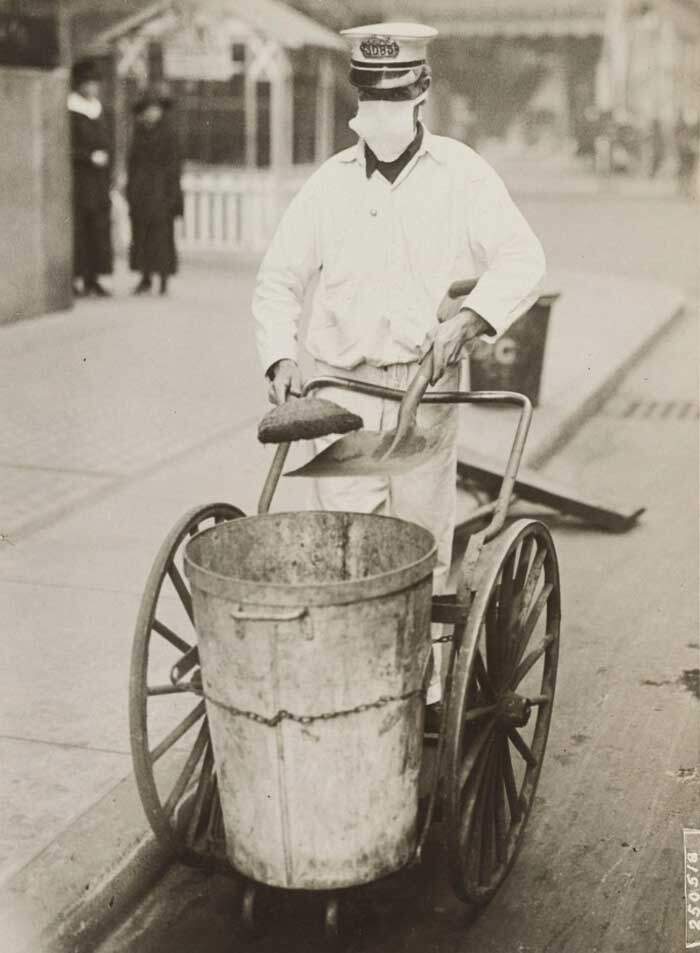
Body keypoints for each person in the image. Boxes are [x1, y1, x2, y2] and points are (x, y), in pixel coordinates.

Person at [252, 22, 546, 722]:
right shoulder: (329, 184)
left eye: (397, 96)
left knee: (419, 549)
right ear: (357, 102)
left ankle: (426, 698)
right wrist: (280, 355)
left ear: (423, 94)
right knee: (349, 552)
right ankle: (354, 699)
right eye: (371, 99)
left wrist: (468, 319)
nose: (383, 114)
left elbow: (523, 259)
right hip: (343, 394)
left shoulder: (461, 174)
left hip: (425, 387)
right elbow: (277, 280)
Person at [126, 87, 183, 295]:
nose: (152, 113)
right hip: (141, 190)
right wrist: (131, 189)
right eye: (149, 109)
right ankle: (145, 277)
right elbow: (131, 163)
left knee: (161, 235)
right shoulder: (138, 132)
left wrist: (173, 194)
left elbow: (174, 166)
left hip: (161, 190)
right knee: (142, 234)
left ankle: (163, 279)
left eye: (156, 109)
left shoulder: (169, 134)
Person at [68, 58, 113, 297]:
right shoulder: (72, 111)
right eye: (89, 83)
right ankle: (77, 277)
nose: (94, 88)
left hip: (98, 181)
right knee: (80, 229)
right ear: (80, 85)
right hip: (80, 178)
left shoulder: (98, 110)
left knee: (97, 228)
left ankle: (94, 277)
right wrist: (87, 157)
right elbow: (68, 145)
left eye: (96, 83)